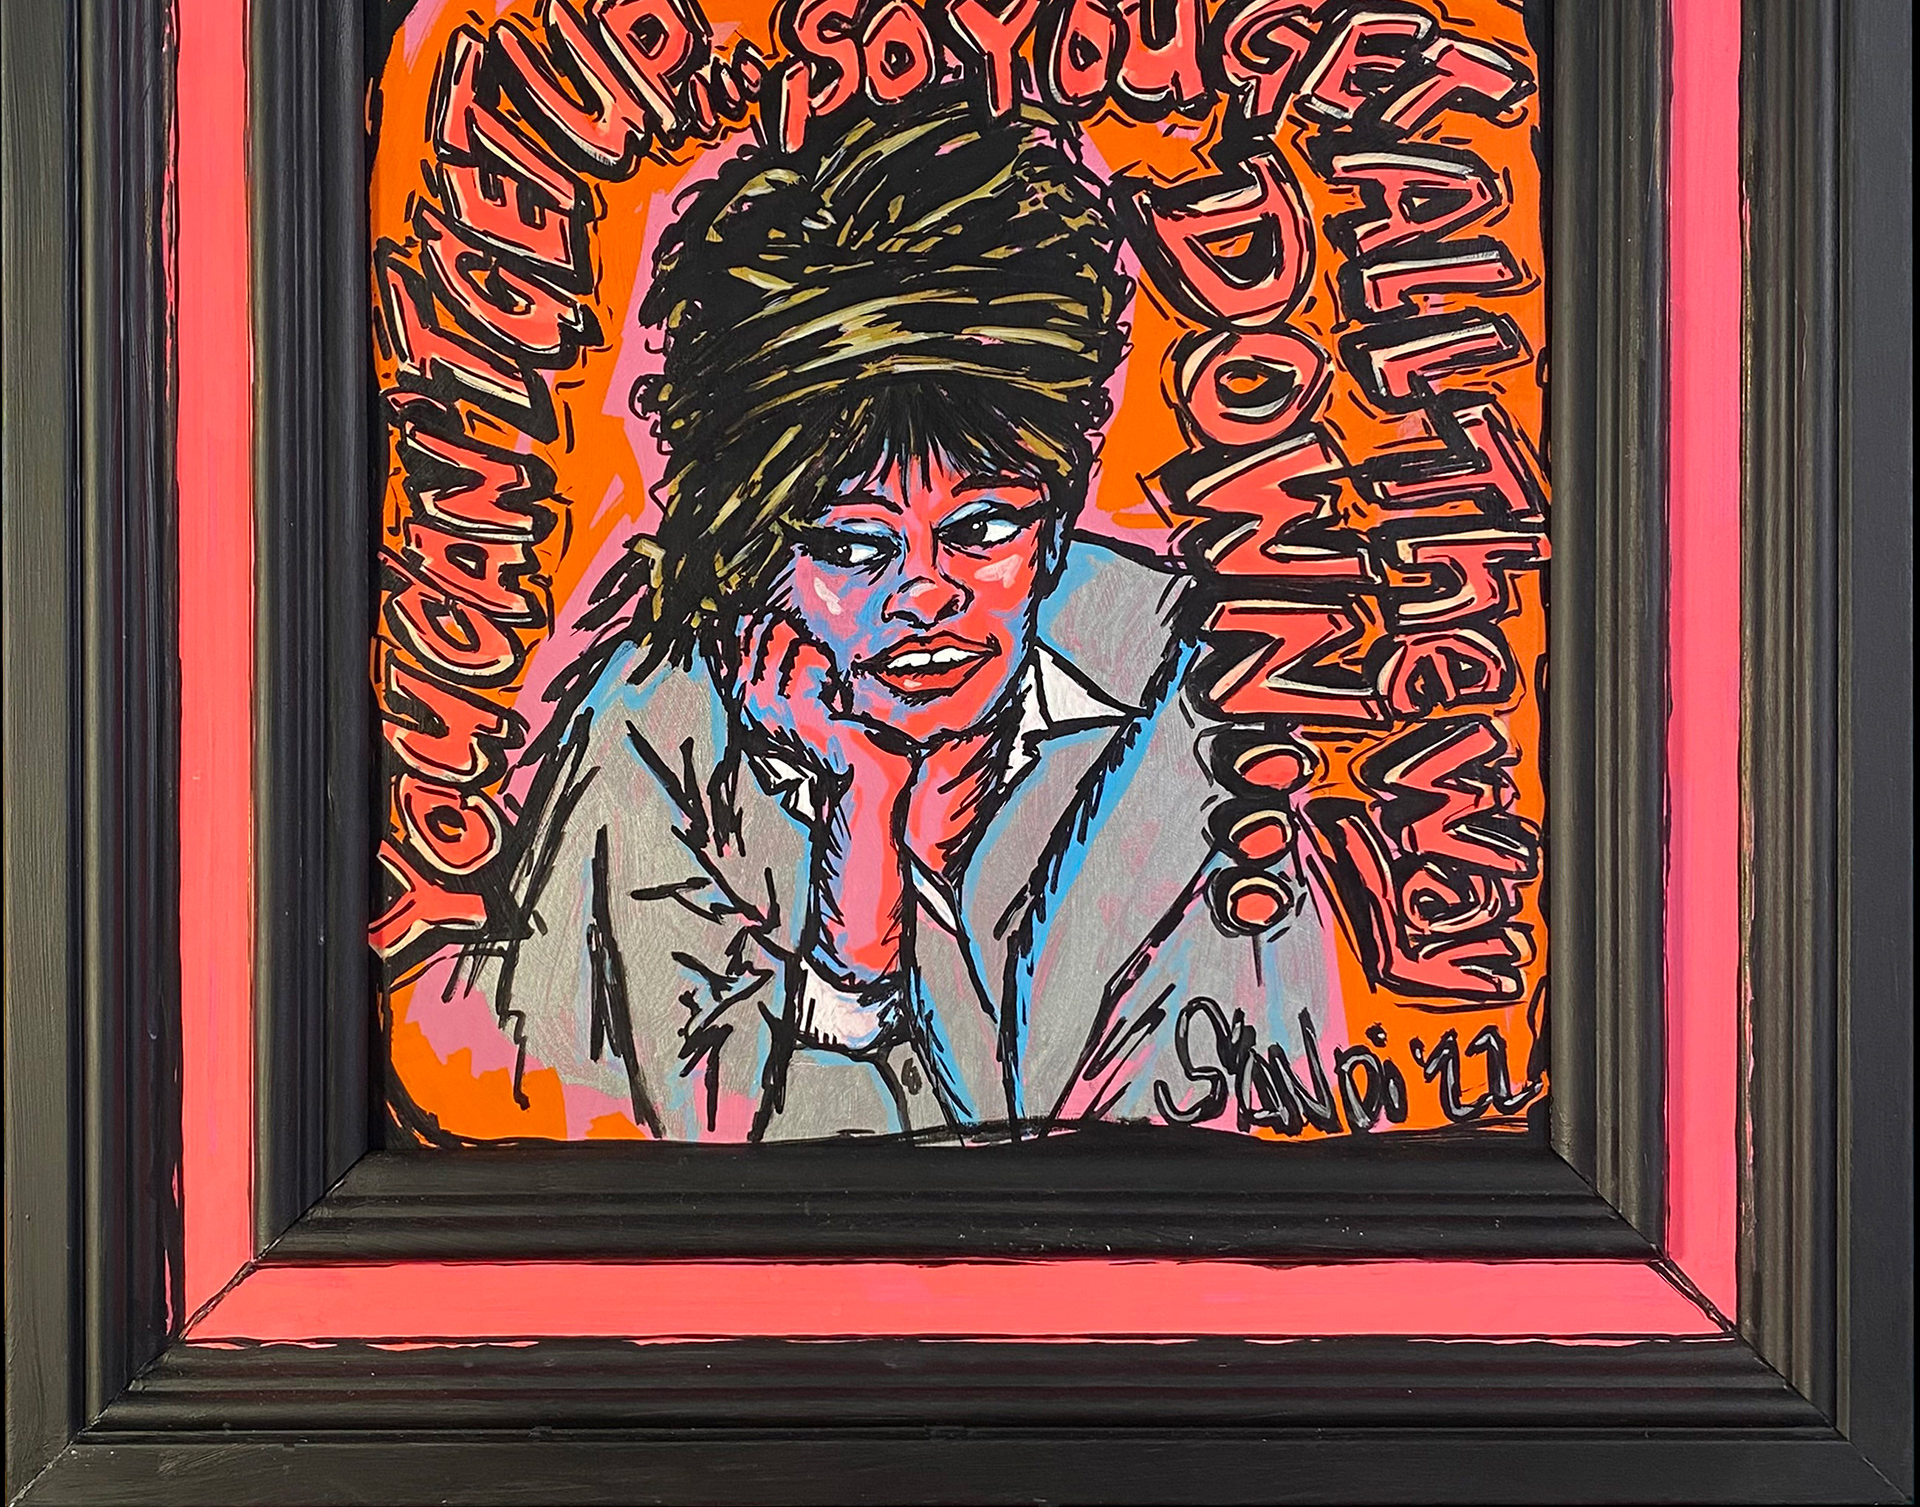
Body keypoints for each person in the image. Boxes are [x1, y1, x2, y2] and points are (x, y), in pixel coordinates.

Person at [442, 91, 1341, 1141]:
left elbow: (1270, 1120)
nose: (924, 594)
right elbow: (701, 1179)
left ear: (1055, 524)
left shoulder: (1203, 707)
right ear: (759, 552)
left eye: (983, 527)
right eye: (853, 547)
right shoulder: (658, 738)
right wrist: (855, 906)